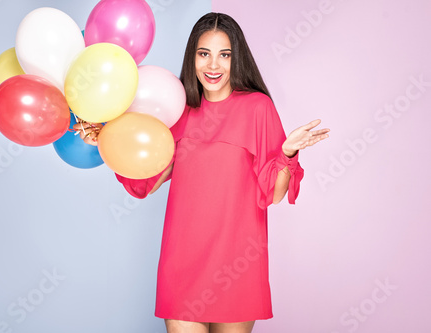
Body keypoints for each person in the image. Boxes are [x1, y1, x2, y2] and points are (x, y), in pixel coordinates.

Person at [75, 12, 329, 333]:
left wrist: (288, 152)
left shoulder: (256, 107)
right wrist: (108, 138)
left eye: (225, 55)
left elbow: (275, 193)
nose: (213, 66)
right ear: (192, 57)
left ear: (237, 60)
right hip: (182, 262)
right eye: (204, 54)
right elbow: (146, 183)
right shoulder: (177, 109)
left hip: (236, 263)